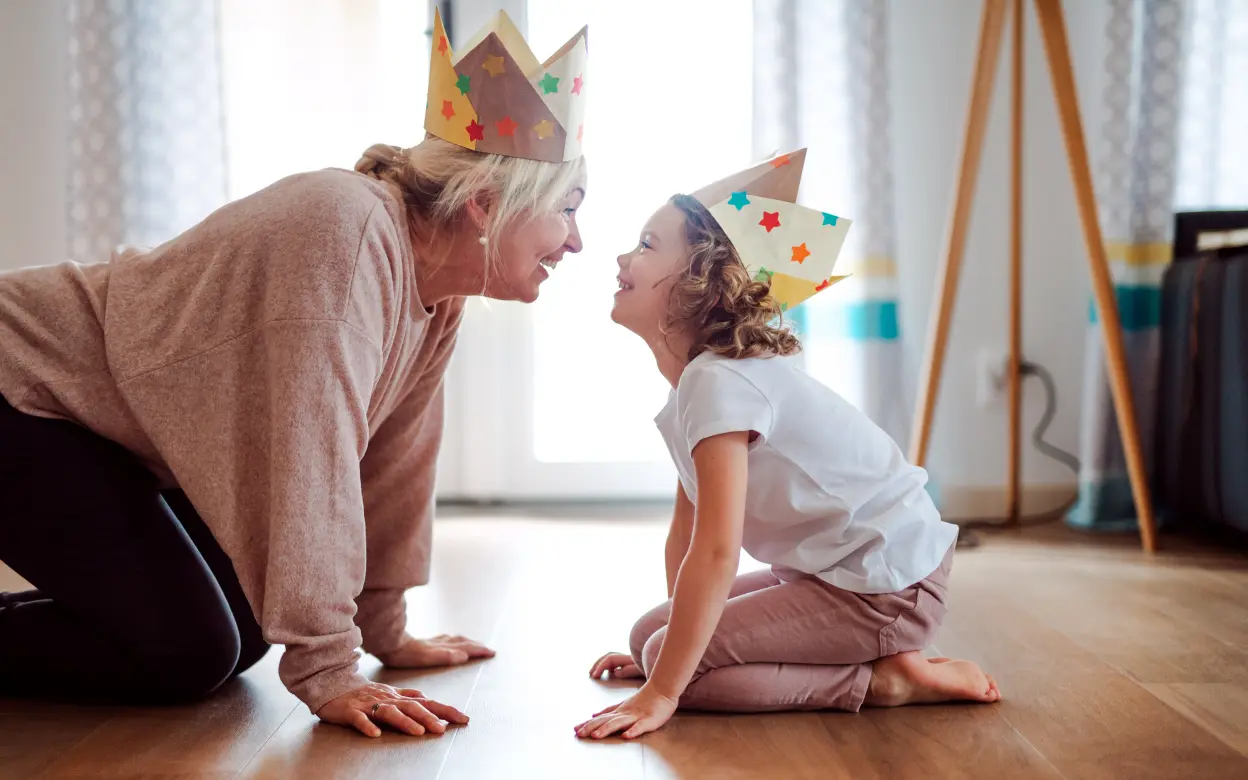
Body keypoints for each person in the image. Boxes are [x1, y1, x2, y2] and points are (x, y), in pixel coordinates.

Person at [0, 10, 588, 739]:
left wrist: (382, 628)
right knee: (190, 651)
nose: (579, 242)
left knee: (247, 623)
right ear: (485, 206)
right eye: (568, 210)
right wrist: (327, 669)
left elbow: (395, 457)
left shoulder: (437, 293)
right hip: (20, 387)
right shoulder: (345, 233)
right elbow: (311, 455)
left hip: (102, 427)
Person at [575, 150, 999, 741]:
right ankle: (885, 659)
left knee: (681, 673)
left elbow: (718, 552)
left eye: (647, 245)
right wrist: (675, 645)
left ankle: (883, 681)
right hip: (842, 574)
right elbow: (688, 532)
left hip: (888, 586)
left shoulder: (718, 382)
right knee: (651, 634)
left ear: (700, 281)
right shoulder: (698, 384)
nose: (623, 256)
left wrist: (666, 683)